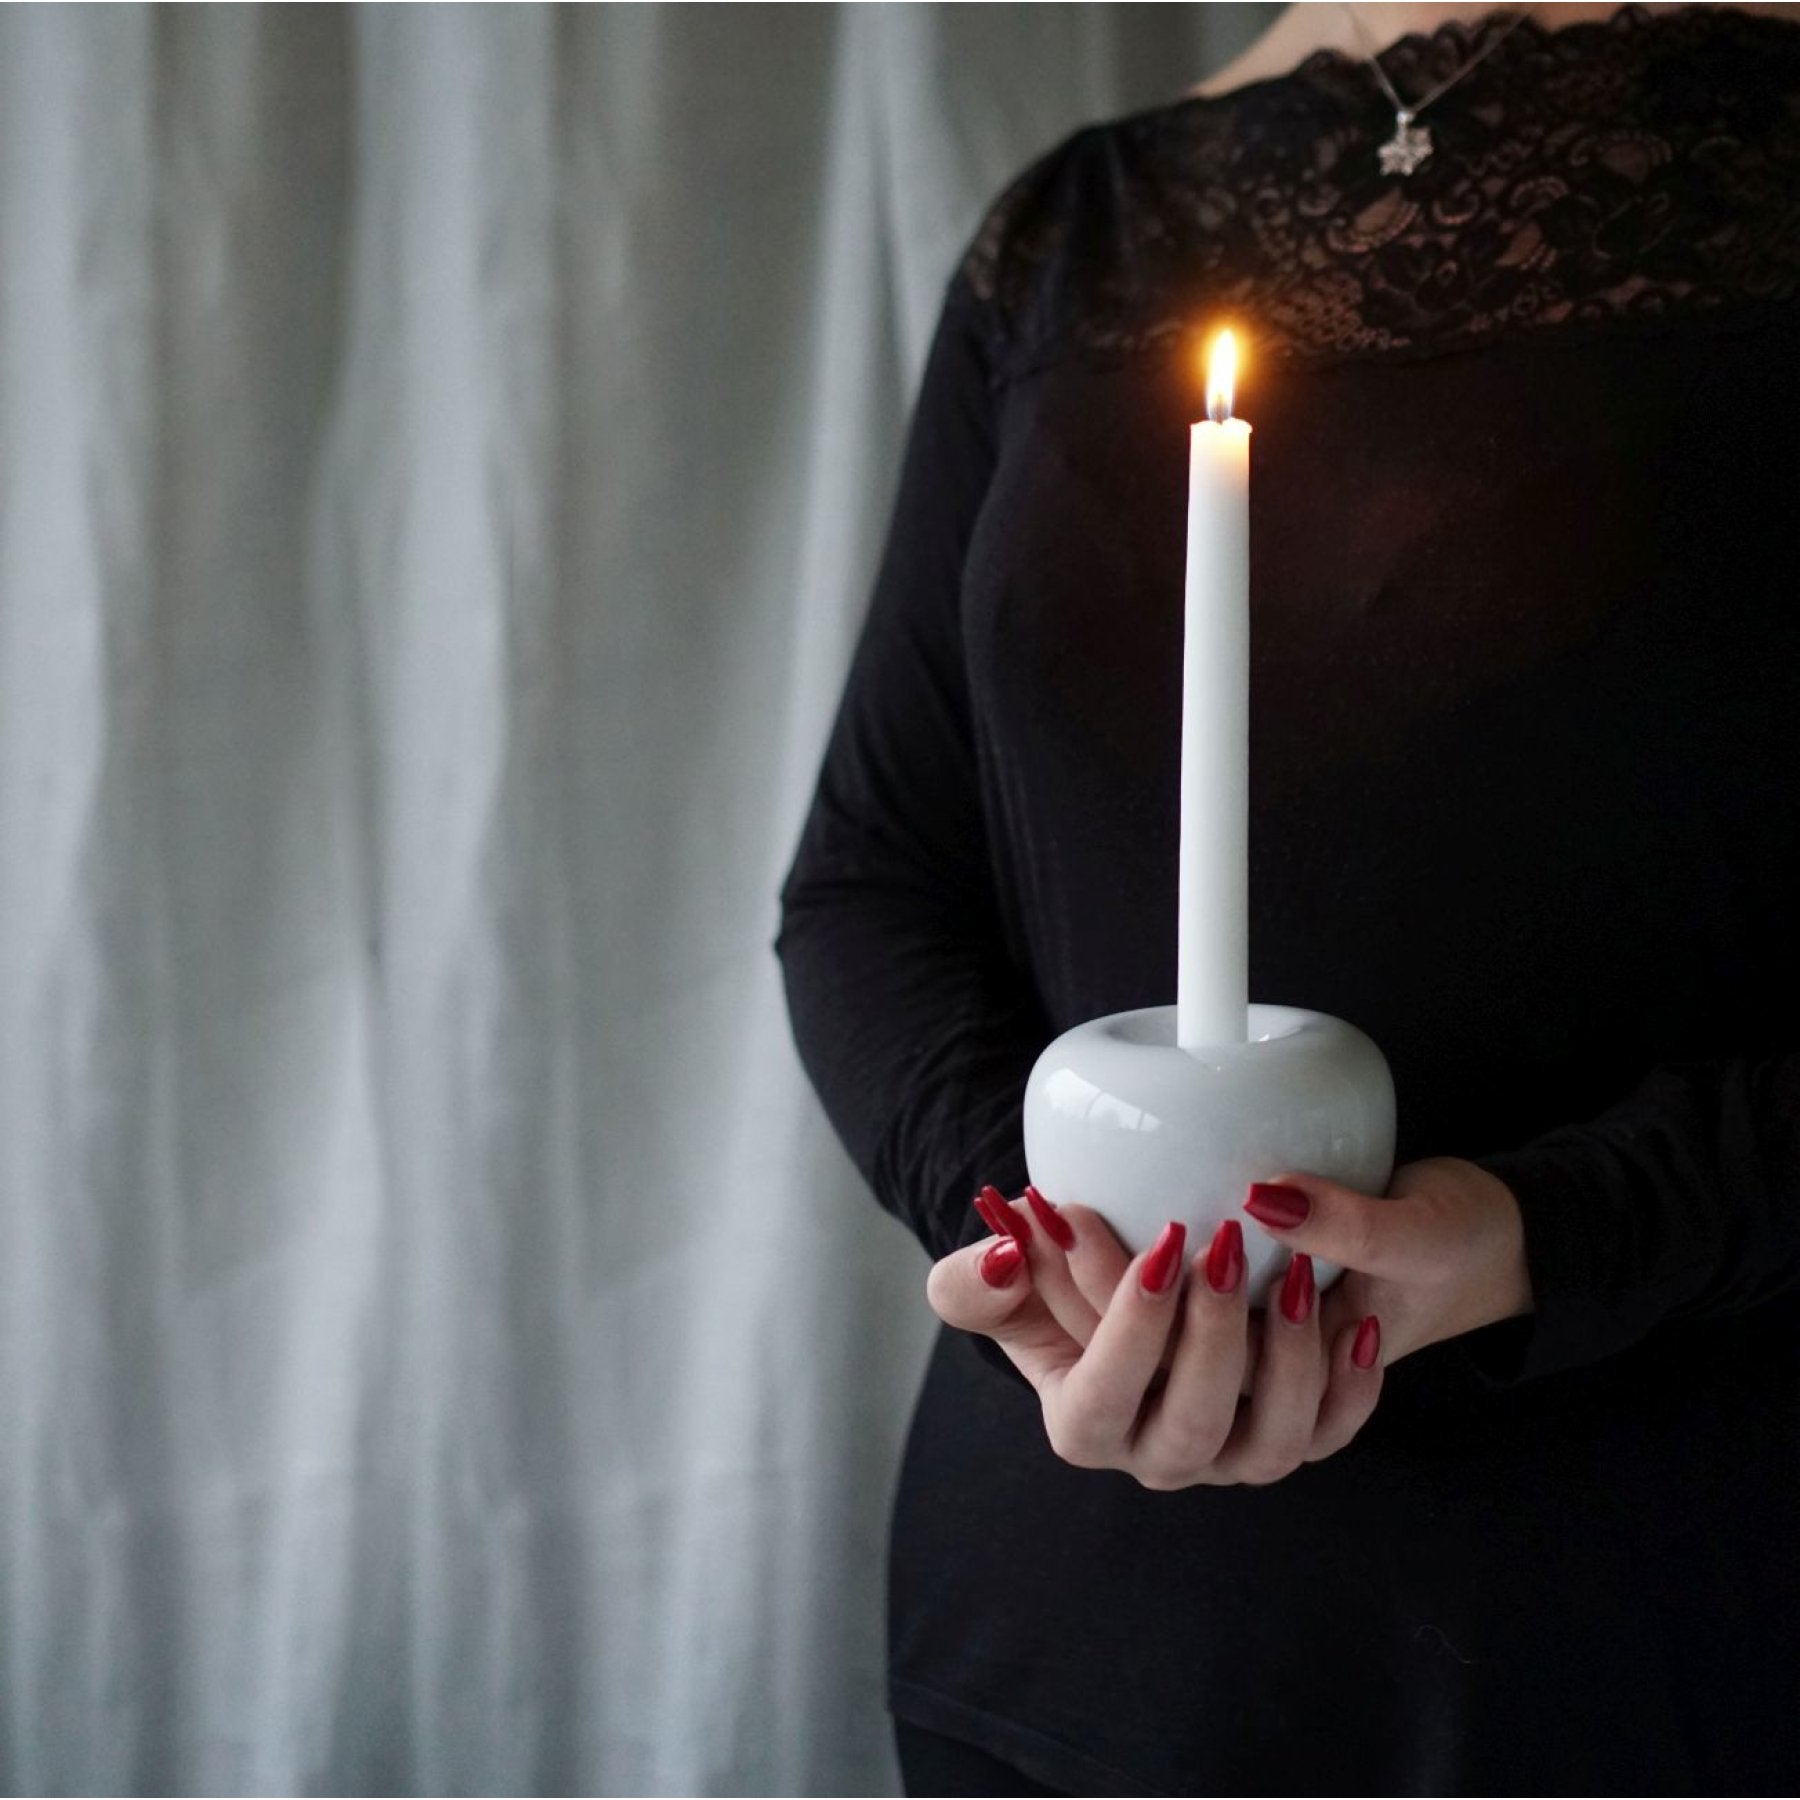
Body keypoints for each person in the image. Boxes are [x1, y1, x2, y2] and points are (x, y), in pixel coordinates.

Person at [776, 2, 1800, 1792]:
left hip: (1678, 1588)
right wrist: (1058, 1252)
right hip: (1084, 1618)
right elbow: (872, 876)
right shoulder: (1075, 234)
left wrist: (1553, 1232)